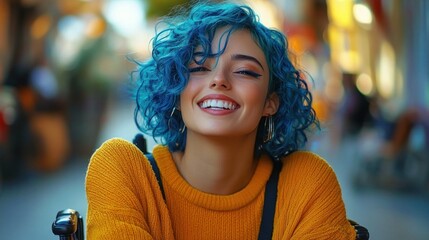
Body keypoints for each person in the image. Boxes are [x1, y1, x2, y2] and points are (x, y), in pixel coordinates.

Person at [86, 2, 357, 239]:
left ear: (270, 102)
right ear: (175, 88)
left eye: (244, 71)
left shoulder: (307, 184)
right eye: (199, 67)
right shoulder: (121, 169)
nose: (218, 80)